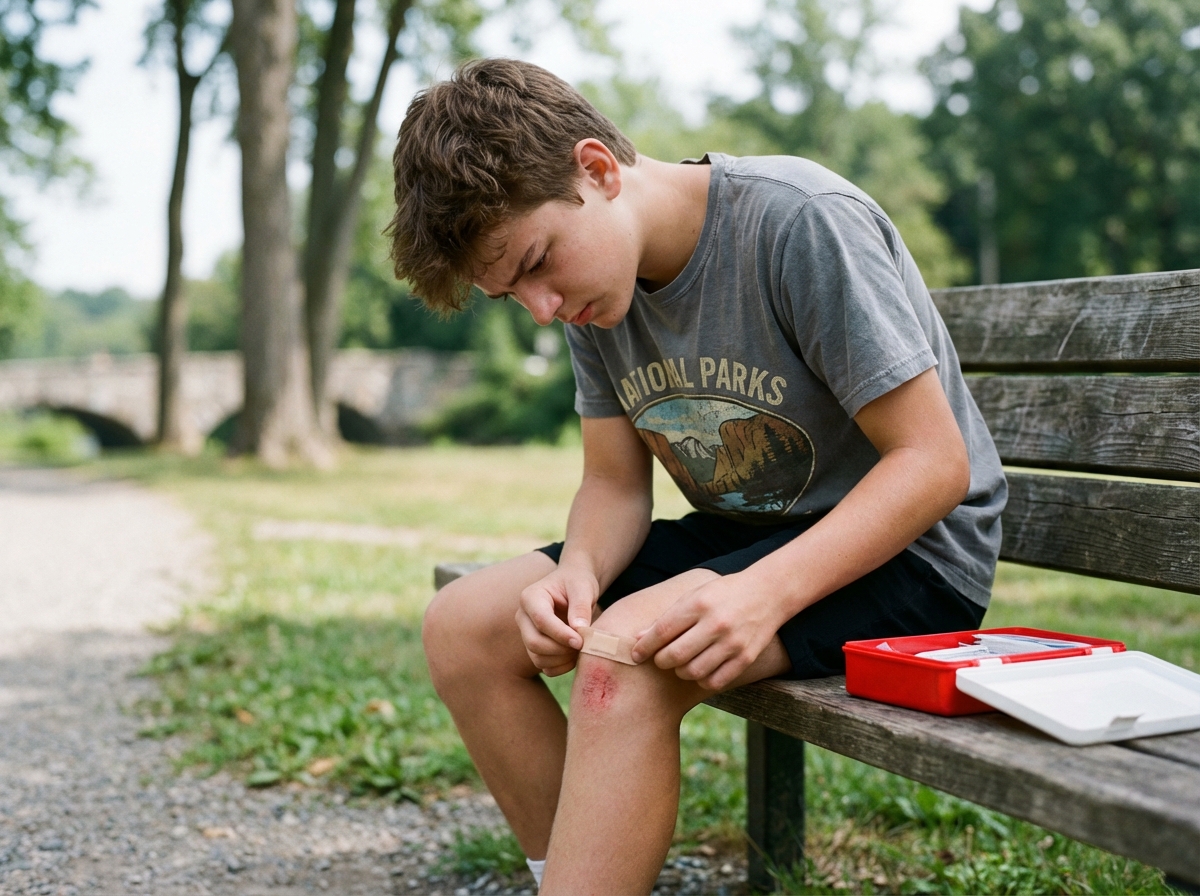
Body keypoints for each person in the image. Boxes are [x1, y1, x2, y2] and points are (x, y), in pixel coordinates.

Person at [387, 57, 1005, 895]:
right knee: (463, 626)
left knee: (622, 658)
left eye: (534, 263)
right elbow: (613, 483)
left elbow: (933, 465)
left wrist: (767, 594)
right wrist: (579, 573)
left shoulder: (799, 222)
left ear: (597, 170)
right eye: (509, 295)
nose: (538, 307)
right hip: (752, 533)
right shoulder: (593, 287)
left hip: (907, 553)